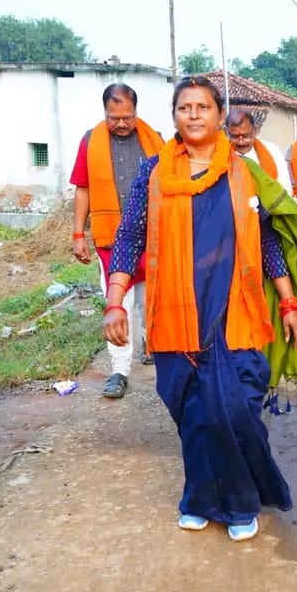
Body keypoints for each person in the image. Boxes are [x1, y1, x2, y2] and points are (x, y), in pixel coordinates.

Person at [103, 76, 297, 541]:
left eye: (203, 107)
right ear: (174, 115)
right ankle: (200, 499)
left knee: (235, 411)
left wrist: (289, 303)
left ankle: (241, 502)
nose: (194, 115)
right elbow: (130, 237)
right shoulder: (153, 173)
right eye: (184, 107)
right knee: (193, 413)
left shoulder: (245, 173)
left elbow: (268, 242)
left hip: (236, 310)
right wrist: (116, 302)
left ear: (218, 115)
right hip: (175, 312)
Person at [70, 83, 165, 398]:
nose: (122, 123)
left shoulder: (156, 141)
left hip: (151, 238)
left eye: (127, 116)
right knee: (117, 303)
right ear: (105, 113)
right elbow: (83, 189)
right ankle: (119, 370)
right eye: (115, 118)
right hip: (111, 240)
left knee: (150, 299)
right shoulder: (90, 141)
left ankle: (151, 345)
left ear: (136, 111)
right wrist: (78, 234)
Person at [225, 109, 288, 184]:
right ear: (227, 132)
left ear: (255, 130)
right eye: (235, 136)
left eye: (245, 136)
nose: (241, 142)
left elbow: (285, 186)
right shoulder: (221, 154)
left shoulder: (272, 150)